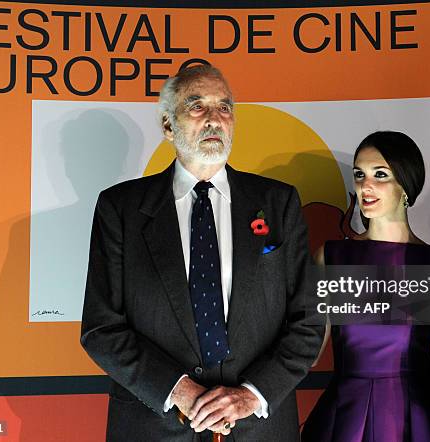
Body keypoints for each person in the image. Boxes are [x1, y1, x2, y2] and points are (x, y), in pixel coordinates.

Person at [80, 64, 324, 441]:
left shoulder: (279, 203)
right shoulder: (120, 209)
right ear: (167, 124)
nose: (214, 119)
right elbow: (101, 328)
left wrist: (249, 395)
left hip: (259, 429)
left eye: (224, 107)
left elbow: (308, 320)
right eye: (196, 106)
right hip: (153, 427)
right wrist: (180, 391)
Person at [302, 131, 430, 442]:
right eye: (359, 174)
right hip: (343, 415)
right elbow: (308, 350)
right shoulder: (333, 257)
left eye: (380, 174)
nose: (365, 186)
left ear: (406, 186)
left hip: (412, 418)